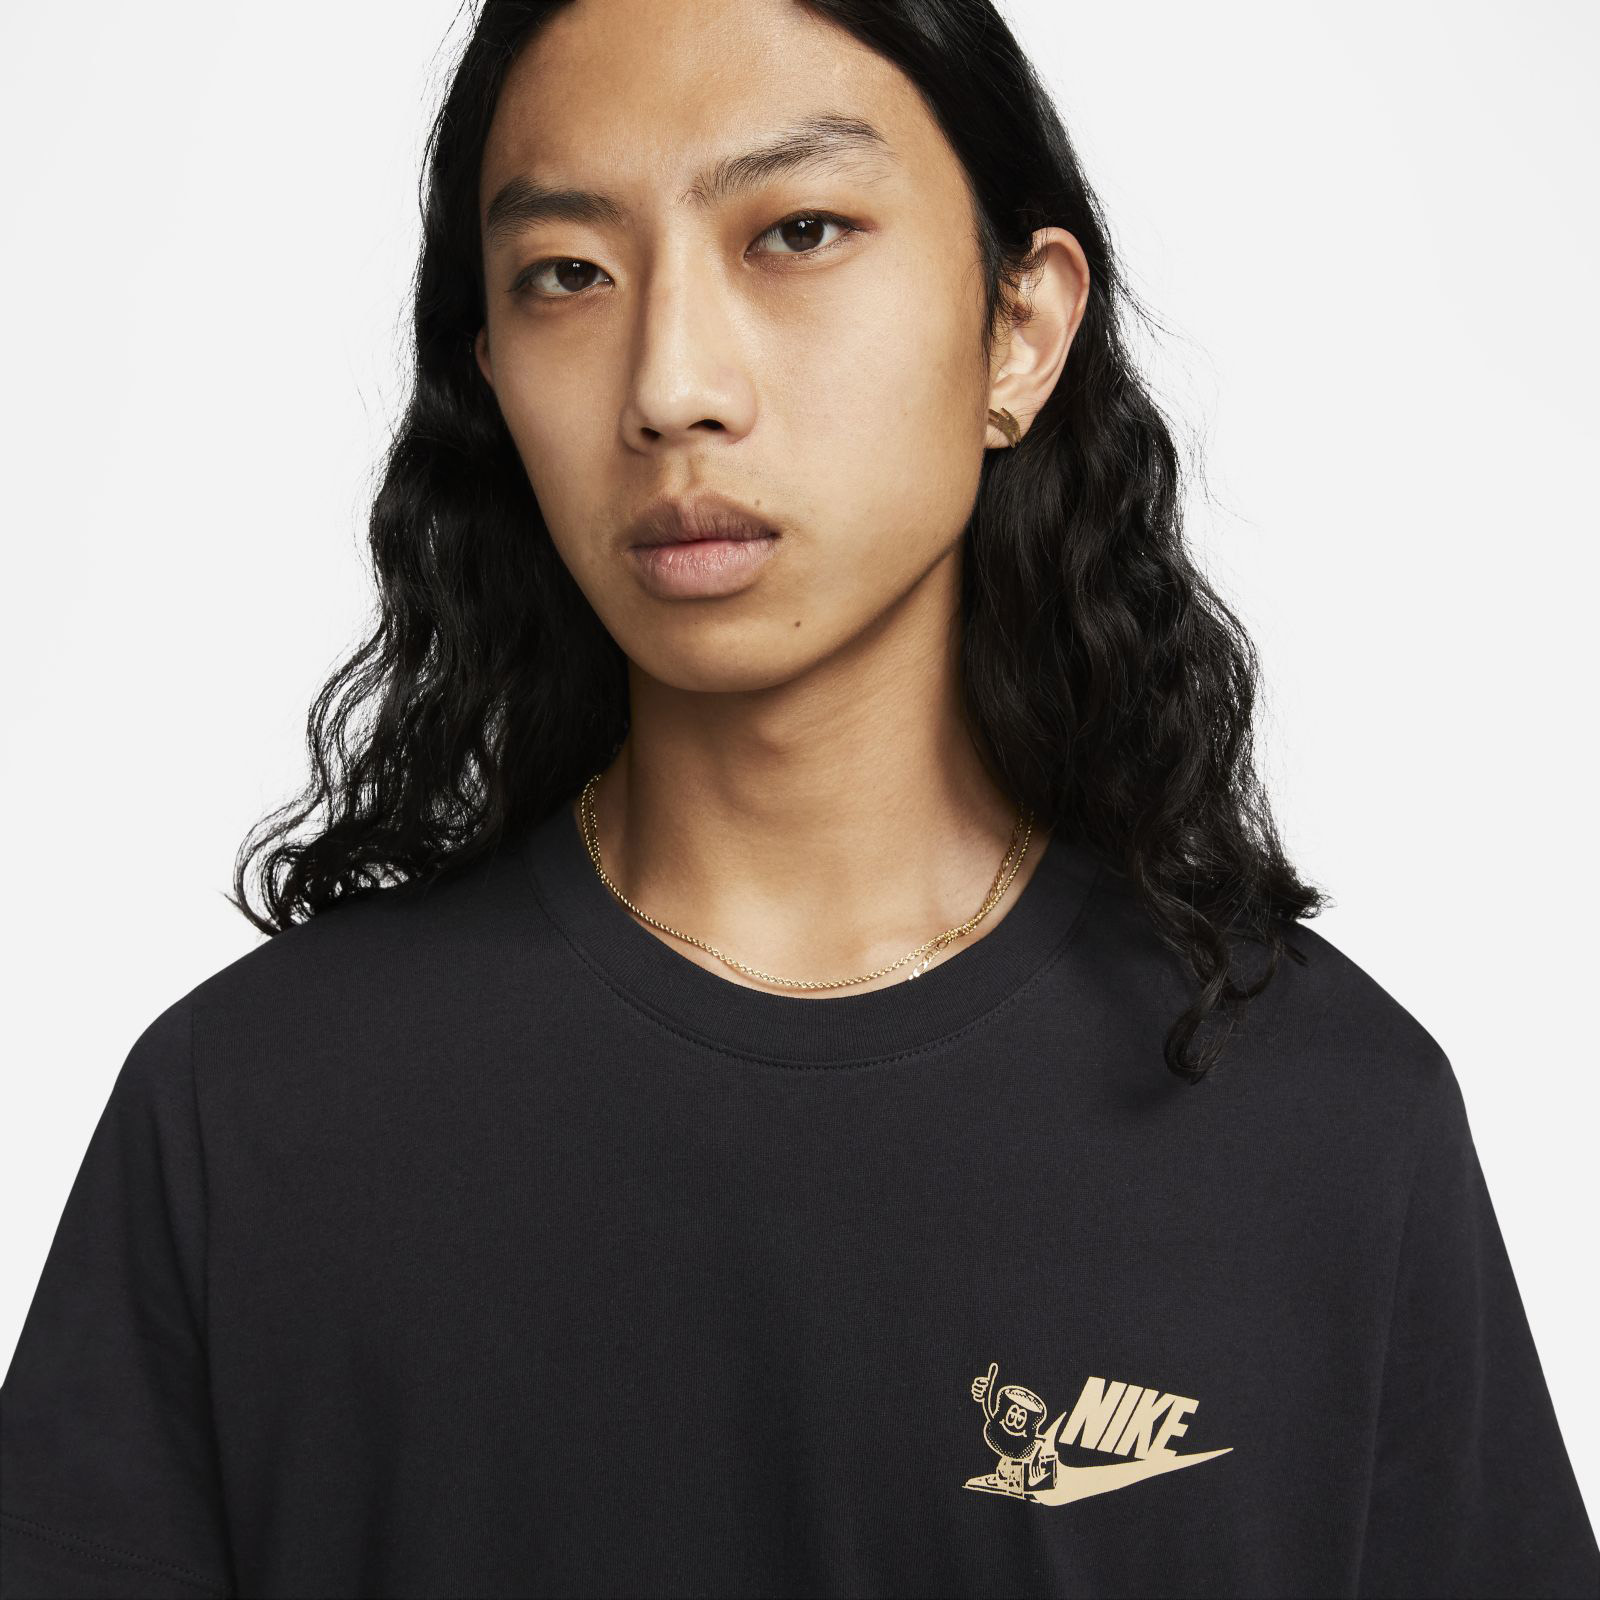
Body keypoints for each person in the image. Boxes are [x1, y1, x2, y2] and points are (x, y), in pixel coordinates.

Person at [2, 0, 1595, 1595]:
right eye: (567, 272)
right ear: (490, 367)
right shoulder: (247, 1120)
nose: (672, 385)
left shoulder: (1324, 1120)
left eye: (798, 232)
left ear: (1020, 329)